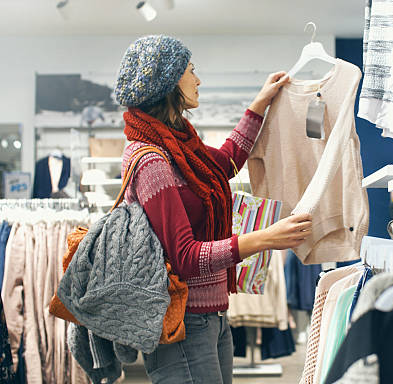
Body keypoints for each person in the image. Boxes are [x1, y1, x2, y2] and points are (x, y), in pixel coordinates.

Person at [114, 35, 313, 383]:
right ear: (169, 82)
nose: (198, 79)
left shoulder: (178, 144)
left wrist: (259, 105)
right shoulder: (152, 160)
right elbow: (185, 257)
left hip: (212, 314)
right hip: (183, 320)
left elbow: (224, 163)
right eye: (191, 71)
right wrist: (263, 239)